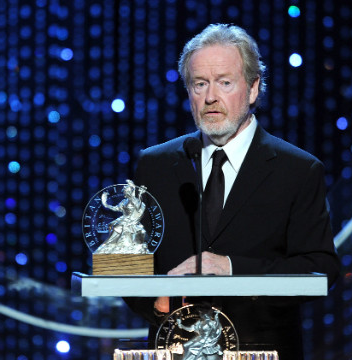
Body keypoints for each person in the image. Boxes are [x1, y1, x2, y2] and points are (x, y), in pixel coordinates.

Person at [124, 24, 340, 360]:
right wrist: (156, 301)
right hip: (175, 349)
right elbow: (130, 262)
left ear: (253, 88)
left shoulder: (298, 170)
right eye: (200, 84)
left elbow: (321, 268)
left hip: (262, 349)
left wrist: (230, 267)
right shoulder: (155, 165)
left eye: (225, 82)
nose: (210, 97)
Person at [95, 180, 148, 254]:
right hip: (124, 219)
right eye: (125, 192)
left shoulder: (135, 201)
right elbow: (116, 208)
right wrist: (106, 204)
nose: (125, 193)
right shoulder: (124, 202)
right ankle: (110, 245)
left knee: (117, 227)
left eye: (126, 191)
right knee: (111, 225)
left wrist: (133, 189)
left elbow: (139, 208)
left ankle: (110, 244)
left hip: (131, 220)